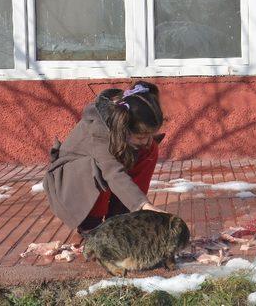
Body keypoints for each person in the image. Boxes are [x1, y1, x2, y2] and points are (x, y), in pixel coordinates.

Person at [44, 81, 167, 235]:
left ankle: (121, 215)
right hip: (72, 182)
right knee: (98, 167)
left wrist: (136, 207)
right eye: (141, 136)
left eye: (150, 135)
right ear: (123, 127)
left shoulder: (127, 124)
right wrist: (143, 204)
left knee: (150, 150)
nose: (147, 140)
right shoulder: (99, 131)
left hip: (105, 169)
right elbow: (113, 174)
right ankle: (91, 222)